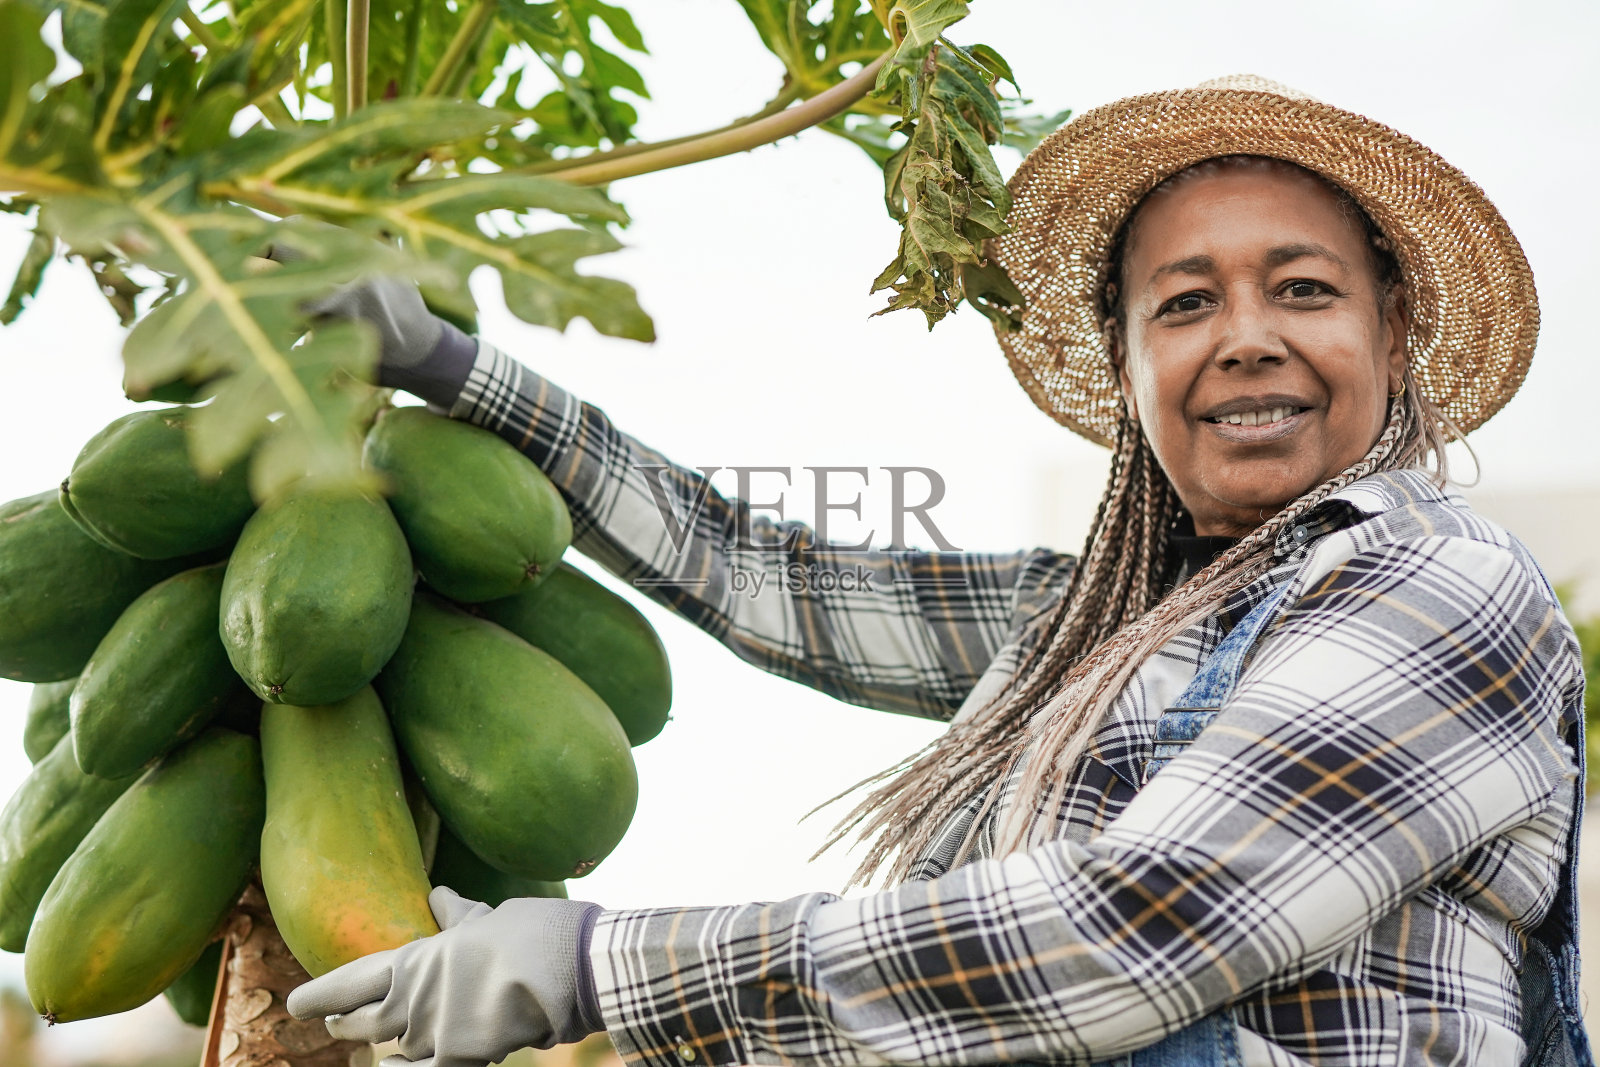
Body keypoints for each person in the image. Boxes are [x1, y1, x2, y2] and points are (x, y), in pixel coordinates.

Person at [279, 76, 1591, 1067]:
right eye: (1184, 304)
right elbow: (758, 574)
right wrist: (463, 375)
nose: (1243, 340)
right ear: (1130, 372)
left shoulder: (1439, 588)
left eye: (1302, 291)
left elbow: (1138, 929)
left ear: (1394, 327)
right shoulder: (1081, 620)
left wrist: (597, 967)